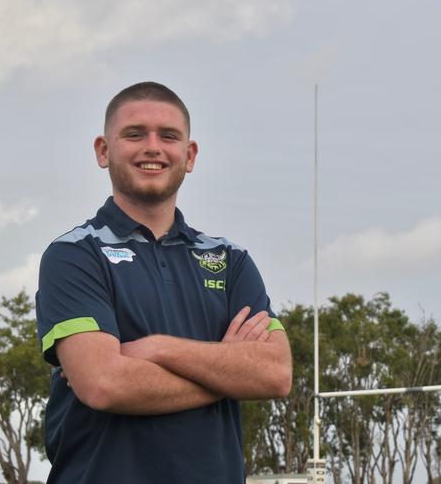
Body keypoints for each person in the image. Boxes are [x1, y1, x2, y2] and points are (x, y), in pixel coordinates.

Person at [36, 82, 292, 484]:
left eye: (168, 136)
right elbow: (104, 384)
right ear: (104, 150)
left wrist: (158, 348)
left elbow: (275, 373)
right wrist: (226, 372)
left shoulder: (230, 260)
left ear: (189, 155)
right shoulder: (73, 255)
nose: (152, 147)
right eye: (135, 134)